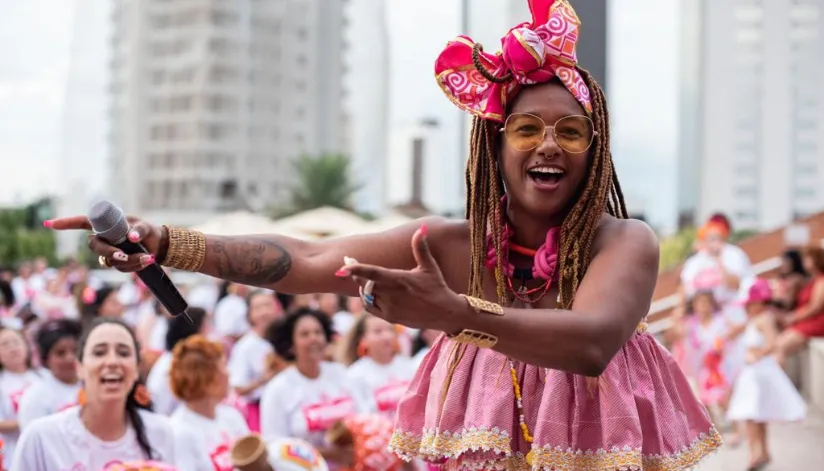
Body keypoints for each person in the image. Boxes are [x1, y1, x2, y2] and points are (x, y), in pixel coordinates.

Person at [49, 0, 720, 468]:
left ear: (593, 150)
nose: (549, 143)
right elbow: (309, 259)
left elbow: (593, 342)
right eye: (528, 129)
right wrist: (167, 241)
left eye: (570, 131)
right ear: (495, 147)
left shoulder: (623, 241)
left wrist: (454, 314)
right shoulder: (452, 246)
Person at [12, 317, 176, 470]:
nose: (112, 361)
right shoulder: (42, 437)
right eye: (99, 352)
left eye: (123, 353)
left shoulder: (160, 432)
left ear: (136, 369)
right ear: (80, 367)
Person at [259, 309, 374, 468]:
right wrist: (327, 453)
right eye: (305, 334)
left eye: (318, 332)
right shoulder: (278, 389)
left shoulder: (342, 374)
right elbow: (275, 446)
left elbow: (366, 417)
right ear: (291, 345)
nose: (314, 338)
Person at [726, 279, 806, 471]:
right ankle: (763, 451)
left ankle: (755, 452)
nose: (747, 308)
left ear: (760, 303)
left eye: (750, 304)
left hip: (759, 371)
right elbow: (735, 334)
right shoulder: (754, 320)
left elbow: (774, 341)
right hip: (753, 372)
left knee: (751, 414)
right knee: (756, 414)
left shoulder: (764, 319)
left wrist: (758, 355)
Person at [169, 335, 250, 471]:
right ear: (207, 379)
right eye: (223, 366)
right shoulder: (178, 431)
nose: (228, 374)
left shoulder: (232, 416)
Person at [341, 314, 416, 418]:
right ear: (363, 339)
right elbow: (360, 414)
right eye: (378, 331)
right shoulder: (355, 375)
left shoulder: (409, 366)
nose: (387, 336)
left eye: (390, 330)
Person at [228, 291, 282, 431]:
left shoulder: (284, 340)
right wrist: (264, 379)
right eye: (258, 308)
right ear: (250, 314)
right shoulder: (246, 346)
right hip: (258, 412)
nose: (264, 312)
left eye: (268, 305)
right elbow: (238, 388)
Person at [17, 318, 82, 427]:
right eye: (60, 353)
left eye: (75, 350)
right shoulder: (35, 396)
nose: (70, 358)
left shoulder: (94, 386)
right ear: (46, 359)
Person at [146, 308, 209, 415]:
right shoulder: (171, 365)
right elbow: (161, 410)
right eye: (205, 327)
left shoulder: (182, 360)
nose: (208, 332)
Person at [775, 246, 824, 365]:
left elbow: (815, 307)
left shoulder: (821, 280)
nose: (804, 262)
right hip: (807, 320)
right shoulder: (814, 280)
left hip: (816, 322)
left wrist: (795, 317)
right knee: (776, 343)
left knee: (781, 346)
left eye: (807, 259)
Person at [0, 327, 42, 467]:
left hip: (46, 452)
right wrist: (29, 422)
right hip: (15, 456)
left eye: (16, 342)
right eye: (5, 344)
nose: (13, 348)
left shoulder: (43, 377)